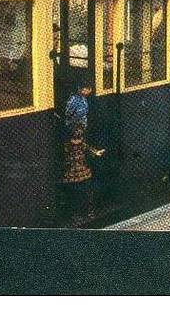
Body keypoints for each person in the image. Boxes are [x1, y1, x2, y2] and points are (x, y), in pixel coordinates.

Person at [62, 76, 103, 226]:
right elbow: (70, 116)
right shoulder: (74, 102)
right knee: (82, 190)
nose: (88, 91)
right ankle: (82, 213)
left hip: (76, 170)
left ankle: (81, 213)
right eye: (86, 88)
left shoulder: (75, 139)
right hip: (76, 170)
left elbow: (83, 145)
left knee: (81, 190)